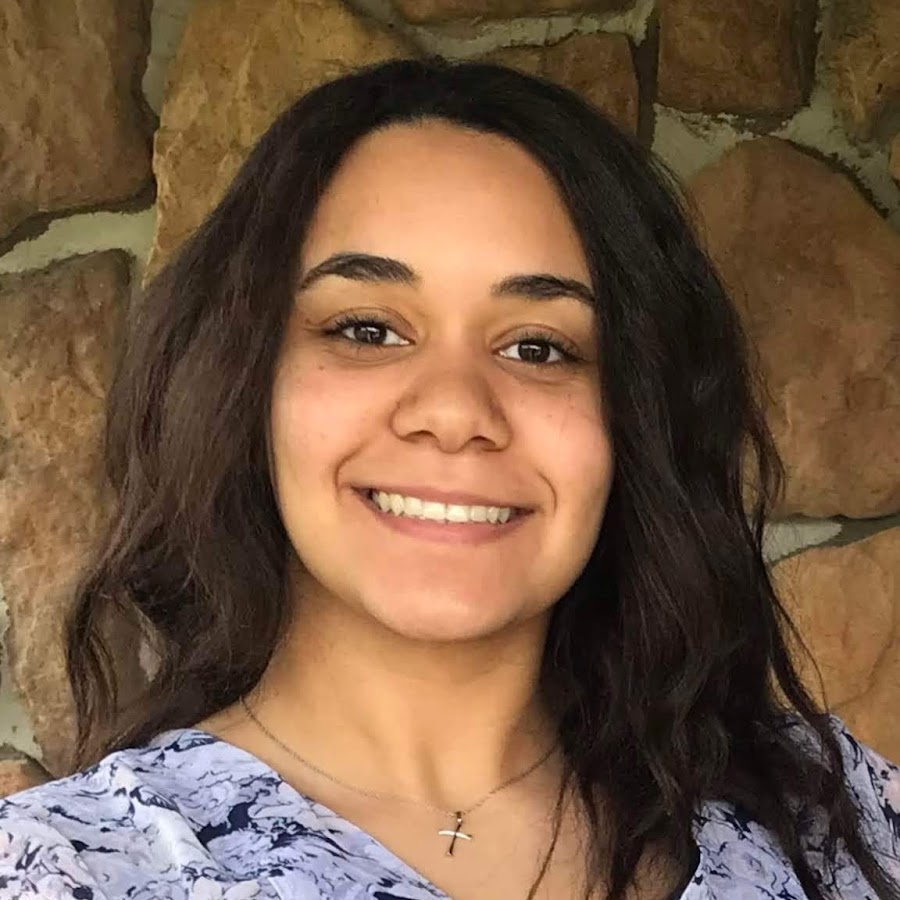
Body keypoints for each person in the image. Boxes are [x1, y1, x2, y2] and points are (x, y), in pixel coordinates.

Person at [0, 56, 897, 900]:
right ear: (243, 382)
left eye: (538, 347)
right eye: (367, 330)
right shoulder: (70, 871)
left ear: (636, 417)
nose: (456, 409)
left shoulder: (832, 818)